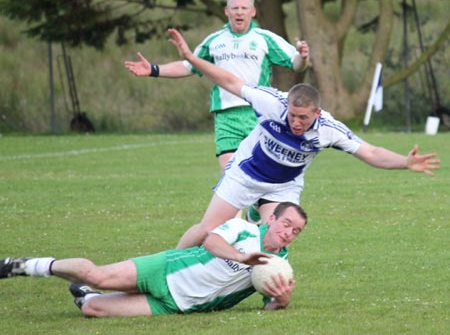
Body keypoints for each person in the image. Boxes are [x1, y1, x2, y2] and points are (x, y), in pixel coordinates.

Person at [165, 27, 441, 249]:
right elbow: (229, 81)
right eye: (292, 116)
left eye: (303, 118)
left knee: (276, 238)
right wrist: (191, 58)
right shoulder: (272, 102)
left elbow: (369, 152)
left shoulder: (328, 128)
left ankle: (271, 292)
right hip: (244, 175)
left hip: (283, 187)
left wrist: (405, 161)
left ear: (317, 113)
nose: (296, 122)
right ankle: (169, 266)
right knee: (206, 229)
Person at [0, 202, 307, 318]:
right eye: (286, 224)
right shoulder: (243, 229)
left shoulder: (279, 267)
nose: (289, 232)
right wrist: (243, 257)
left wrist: (281, 300)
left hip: (177, 305)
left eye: (296, 230)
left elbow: (268, 307)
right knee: (96, 275)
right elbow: (211, 241)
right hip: (166, 269)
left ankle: (85, 295)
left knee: (93, 309)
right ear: (272, 219)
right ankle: (23, 265)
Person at [124, 0, 311, 174]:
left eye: (244, 8)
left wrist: (302, 56)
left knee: (260, 176)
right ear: (226, 11)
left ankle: (259, 204)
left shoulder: (264, 38)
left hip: (257, 113)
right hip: (225, 116)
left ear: (252, 12)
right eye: (235, 8)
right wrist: (154, 70)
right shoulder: (214, 41)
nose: (239, 12)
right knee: (232, 177)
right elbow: (188, 66)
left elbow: (296, 64)